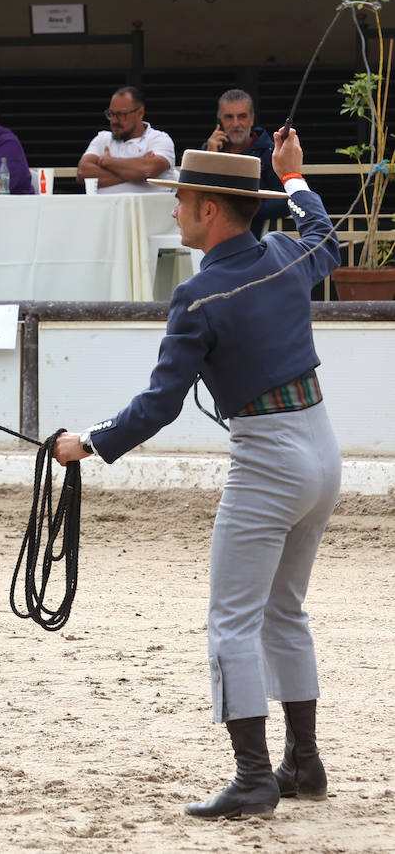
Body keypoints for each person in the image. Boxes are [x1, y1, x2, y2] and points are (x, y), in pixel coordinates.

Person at [53, 131, 340, 820]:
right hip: (322, 448)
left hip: (268, 458)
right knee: (284, 610)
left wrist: (85, 443)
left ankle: (253, 777)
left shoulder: (198, 296)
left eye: (181, 199)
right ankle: (303, 759)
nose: (175, 209)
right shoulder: (285, 254)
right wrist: (294, 177)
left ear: (210, 209)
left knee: (232, 621)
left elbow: (159, 405)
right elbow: (326, 234)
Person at [203, 89, 289, 237]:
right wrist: (210, 158)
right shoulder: (209, 149)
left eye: (242, 116)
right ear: (219, 120)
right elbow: (196, 198)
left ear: (252, 119)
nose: (236, 123)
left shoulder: (269, 152)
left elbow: (286, 202)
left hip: (253, 242)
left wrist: (242, 209)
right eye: (229, 117)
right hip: (209, 240)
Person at [77, 86, 178, 193]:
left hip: (149, 208)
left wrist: (108, 162)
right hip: (106, 209)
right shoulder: (102, 139)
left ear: (140, 113)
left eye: (121, 114)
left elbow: (147, 170)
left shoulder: (159, 139)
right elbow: (83, 173)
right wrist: (136, 174)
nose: (114, 120)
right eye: (111, 114)